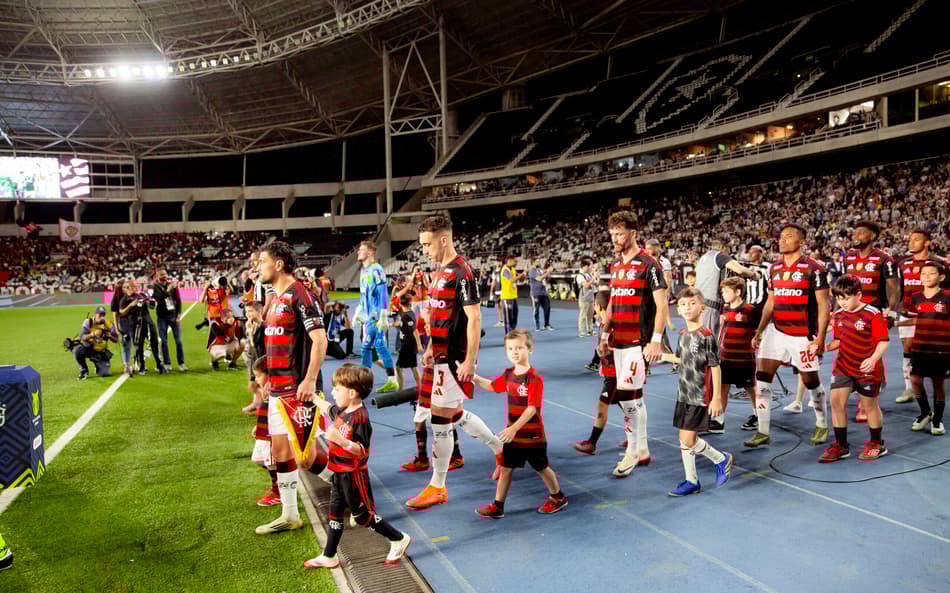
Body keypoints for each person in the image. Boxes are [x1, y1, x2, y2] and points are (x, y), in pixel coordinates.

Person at [406, 214, 504, 510]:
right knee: (456, 413)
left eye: (427, 244)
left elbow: (474, 317)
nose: (424, 250)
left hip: (454, 358)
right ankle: (501, 449)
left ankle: (438, 486)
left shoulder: (462, 271)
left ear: (443, 239)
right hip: (439, 355)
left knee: (440, 417)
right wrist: (429, 348)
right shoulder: (440, 272)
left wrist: (470, 361)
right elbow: (440, 316)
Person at [255, 241, 329, 536]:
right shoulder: (273, 300)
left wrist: (310, 380)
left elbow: (320, 340)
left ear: (280, 264)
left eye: (262, 261)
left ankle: (352, 490)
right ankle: (289, 514)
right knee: (281, 453)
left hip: (298, 391)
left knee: (305, 457)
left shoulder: (302, 295)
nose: (258, 267)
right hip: (278, 390)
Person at [305, 365, 412, 569]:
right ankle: (329, 555)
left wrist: (341, 441)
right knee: (335, 514)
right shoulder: (344, 409)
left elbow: (363, 450)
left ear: (352, 393)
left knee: (363, 517)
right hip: (338, 472)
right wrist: (314, 398)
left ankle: (398, 538)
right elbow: (329, 408)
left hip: (353, 476)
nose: (333, 392)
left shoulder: (360, 418)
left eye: (337, 388)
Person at [599, 210, 669, 477]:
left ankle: (631, 451)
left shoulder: (649, 264)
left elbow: (662, 306)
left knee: (627, 398)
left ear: (633, 233)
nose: (615, 238)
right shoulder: (616, 265)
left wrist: (656, 341)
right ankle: (642, 449)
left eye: (620, 233)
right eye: (612, 233)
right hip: (618, 341)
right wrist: (605, 335)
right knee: (635, 397)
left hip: (638, 343)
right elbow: (614, 302)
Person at [748, 224, 831, 449]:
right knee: (762, 378)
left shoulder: (814, 268)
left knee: (810, 380)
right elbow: (771, 302)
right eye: (781, 237)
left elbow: (824, 305)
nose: (783, 240)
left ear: (801, 242)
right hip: (776, 330)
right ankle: (763, 431)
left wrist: (820, 337)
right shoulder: (774, 268)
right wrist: (759, 330)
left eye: (789, 236)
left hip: (802, 333)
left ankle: (822, 423)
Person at [472, 329, 568, 518]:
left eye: (519, 348)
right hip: (512, 436)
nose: (514, 352)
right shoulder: (508, 375)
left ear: (529, 349)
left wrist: (514, 428)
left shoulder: (534, 378)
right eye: (510, 349)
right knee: (506, 468)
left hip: (532, 436)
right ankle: (498, 506)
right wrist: (473, 377)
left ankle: (558, 497)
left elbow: (532, 408)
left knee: (542, 468)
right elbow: (492, 386)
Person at [660, 288, 734, 496]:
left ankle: (718, 461)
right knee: (685, 439)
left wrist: (717, 398)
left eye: (692, 303)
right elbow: (682, 360)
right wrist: (664, 357)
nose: (687, 308)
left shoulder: (706, 335)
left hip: (699, 394)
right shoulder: (683, 334)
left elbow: (715, 366)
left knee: (688, 439)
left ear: (702, 307)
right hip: (683, 393)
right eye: (683, 304)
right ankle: (693, 479)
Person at [819, 275, 890, 462]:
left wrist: (874, 359)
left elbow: (883, 341)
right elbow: (838, 340)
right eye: (839, 298)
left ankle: (877, 443)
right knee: (836, 403)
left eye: (846, 298)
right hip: (843, 366)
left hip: (867, 369)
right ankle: (841, 446)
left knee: (869, 406)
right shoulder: (840, 315)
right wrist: (823, 347)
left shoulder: (872, 313)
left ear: (858, 294)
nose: (842, 302)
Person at [843, 220, 898, 422]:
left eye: (862, 232)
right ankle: (873, 382)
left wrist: (891, 312)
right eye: (856, 231)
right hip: (850, 313)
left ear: (873, 236)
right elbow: (844, 285)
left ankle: (864, 403)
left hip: (873, 314)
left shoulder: (885, 259)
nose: (857, 235)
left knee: (868, 355)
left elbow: (893, 287)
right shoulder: (848, 257)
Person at [896, 229, 946, 404]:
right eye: (910, 239)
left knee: (930, 349)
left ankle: (935, 384)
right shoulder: (903, 263)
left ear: (927, 243)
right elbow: (900, 287)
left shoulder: (939, 264)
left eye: (916, 240)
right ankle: (909, 387)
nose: (911, 242)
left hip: (932, 315)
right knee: (908, 348)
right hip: (908, 311)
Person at [907, 261, 950, 436]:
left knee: (938, 384)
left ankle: (937, 419)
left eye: (931, 273)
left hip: (941, 349)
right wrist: (895, 323)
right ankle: (926, 412)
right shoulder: (916, 297)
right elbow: (915, 319)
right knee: (915, 381)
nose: (926, 277)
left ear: (941, 277)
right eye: (923, 274)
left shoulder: (947, 296)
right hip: (920, 347)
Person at [716, 277, 761, 434]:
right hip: (726, 357)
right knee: (722, 387)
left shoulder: (750, 310)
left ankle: (758, 416)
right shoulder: (725, 310)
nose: (723, 294)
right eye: (722, 291)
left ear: (738, 292)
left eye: (726, 291)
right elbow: (722, 331)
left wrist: (757, 340)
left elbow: (758, 333)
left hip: (744, 359)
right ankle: (718, 420)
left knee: (750, 388)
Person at [357, 240, 399, 393]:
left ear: (370, 252)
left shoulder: (376, 269)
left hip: (376, 317)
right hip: (369, 316)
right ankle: (390, 380)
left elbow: (382, 293)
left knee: (368, 347)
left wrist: (383, 315)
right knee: (377, 346)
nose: (358, 252)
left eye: (361, 250)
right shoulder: (363, 271)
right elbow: (363, 295)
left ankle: (364, 381)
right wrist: (358, 311)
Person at [695, 237, 758, 338]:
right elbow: (739, 270)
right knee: (709, 341)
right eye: (727, 249)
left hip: (699, 302)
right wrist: (754, 275)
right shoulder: (719, 256)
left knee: (700, 338)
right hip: (709, 305)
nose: (727, 253)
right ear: (722, 247)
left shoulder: (703, 258)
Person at [250, 356, 281, 506]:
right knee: (258, 458)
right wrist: (259, 426)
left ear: (269, 375)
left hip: (271, 433)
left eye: (258, 375)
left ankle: (278, 492)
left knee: (271, 461)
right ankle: (281, 481)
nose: (256, 379)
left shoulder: (275, 389)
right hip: (265, 428)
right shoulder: (267, 389)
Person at [118, 284, 167, 376]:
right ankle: (142, 366)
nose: (134, 288)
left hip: (148, 322)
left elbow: (152, 306)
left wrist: (148, 302)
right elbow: (121, 312)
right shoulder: (124, 299)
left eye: (135, 287)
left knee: (154, 343)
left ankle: (159, 364)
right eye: (132, 287)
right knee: (138, 345)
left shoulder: (142, 295)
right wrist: (131, 305)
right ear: (127, 289)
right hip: (135, 324)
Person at [151, 268, 186, 372]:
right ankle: (167, 363)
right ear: (157, 277)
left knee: (179, 341)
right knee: (164, 341)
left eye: (165, 274)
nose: (163, 276)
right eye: (161, 275)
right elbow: (159, 299)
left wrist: (179, 315)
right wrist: (168, 290)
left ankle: (181, 363)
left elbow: (178, 301)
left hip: (173, 316)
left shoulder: (173, 286)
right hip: (162, 317)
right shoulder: (156, 287)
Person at [74, 306, 119, 380]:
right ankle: (84, 371)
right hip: (89, 348)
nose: (101, 317)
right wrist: (93, 334)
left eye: (103, 315)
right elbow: (82, 337)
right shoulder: (88, 322)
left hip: (100, 352)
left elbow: (116, 340)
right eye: (99, 314)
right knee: (77, 351)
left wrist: (110, 336)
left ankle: (98, 366)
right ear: (95, 314)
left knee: (105, 373)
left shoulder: (109, 324)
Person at [394, 294, 422, 390]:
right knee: (413, 367)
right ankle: (420, 387)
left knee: (399, 367)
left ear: (400, 304)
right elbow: (402, 323)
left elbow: (415, 330)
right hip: (408, 345)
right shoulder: (409, 314)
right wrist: (391, 324)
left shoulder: (407, 316)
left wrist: (419, 345)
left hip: (407, 346)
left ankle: (400, 390)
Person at [112, 280, 135, 376]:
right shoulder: (116, 299)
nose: (127, 288)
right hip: (123, 323)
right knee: (126, 345)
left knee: (136, 343)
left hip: (133, 322)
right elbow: (115, 315)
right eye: (125, 287)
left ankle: (136, 363)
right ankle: (126, 365)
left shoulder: (131, 295)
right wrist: (117, 328)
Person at [528, 258, 554, 331]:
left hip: (543, 292)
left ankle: (546, 324)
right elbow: (539, 278)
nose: (539, 262)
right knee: (536, 309)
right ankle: (537, 325)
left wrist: (548, 274)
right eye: (537, 261)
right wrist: (547, 272)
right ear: (533, 262)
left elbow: (546, 278)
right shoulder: (531, 271)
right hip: (536, 293)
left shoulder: (540, 270)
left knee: (547, 308)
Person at [575, 258, 596, 337]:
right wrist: (592, 279)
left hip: (591, 298)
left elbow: (595, 284)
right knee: (583, 316)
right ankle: (581, 331)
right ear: (585, 266)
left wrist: (596, 277)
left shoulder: (589, 274)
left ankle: (590, 330)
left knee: (590, 316)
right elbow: (586, 285)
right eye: (589, 266)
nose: (590, 268)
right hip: (584, 298)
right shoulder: (580, 276)